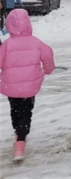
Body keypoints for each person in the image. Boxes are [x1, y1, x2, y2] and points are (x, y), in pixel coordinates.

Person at [0, 9, 55, 161]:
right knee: (26, 112)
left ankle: (18, 132)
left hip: (11, 85)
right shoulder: (36, 42)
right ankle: (21, 141)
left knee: (15, 109)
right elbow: (48, 54)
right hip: (30, 85)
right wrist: (48, 69)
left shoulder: (7, 44)